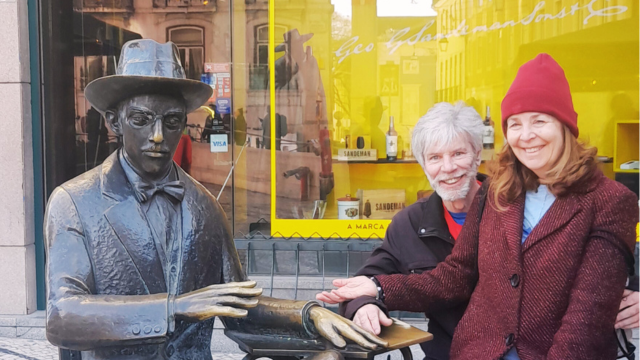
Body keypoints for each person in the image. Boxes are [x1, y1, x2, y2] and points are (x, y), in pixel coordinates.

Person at [45, 39, 385, 360]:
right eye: (141, 119)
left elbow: (239, 308)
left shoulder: (203, 204)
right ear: (114, 121)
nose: (158, 135)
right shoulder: (74, 202)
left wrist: (309, 315)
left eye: (172, 121)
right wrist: (175, 307)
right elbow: (63, 316)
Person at [317, 53, 638, 359]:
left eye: (539, 121)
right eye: (515, 124)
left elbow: (586, 318)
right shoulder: (500, 192)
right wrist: (375, 289)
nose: (526, 136)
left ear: (565, 126)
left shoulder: (608, 200)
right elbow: (457, 274)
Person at [338, 102, 486, 360]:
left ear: (478, 154)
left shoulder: (509, 208)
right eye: (435, 158)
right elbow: (367, 279)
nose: (448, 167)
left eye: (458, 153)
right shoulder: (410, 223)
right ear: (423, 165)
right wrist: (364, 306)